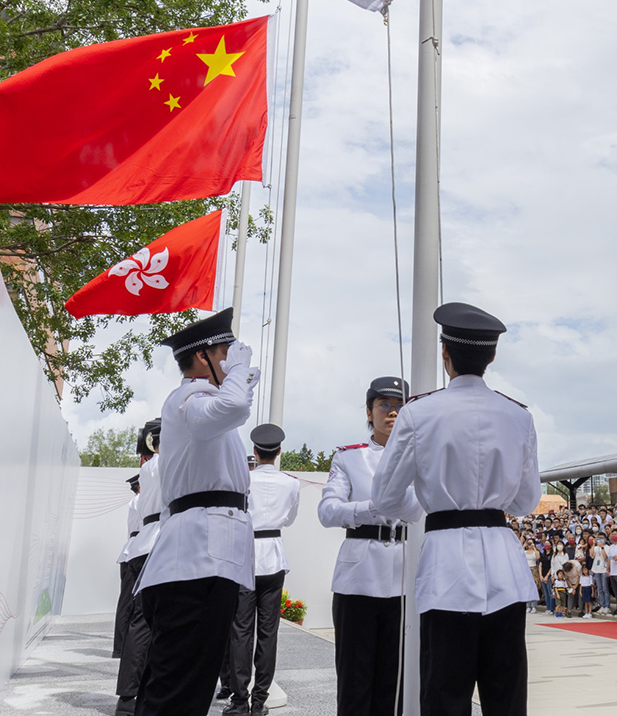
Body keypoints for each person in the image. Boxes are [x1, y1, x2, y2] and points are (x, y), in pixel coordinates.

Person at [371, 302, 539, 716]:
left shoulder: (418, 413)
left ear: (445, 354)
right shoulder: (518, 415)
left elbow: (385, 499)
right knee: (507, 695)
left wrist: (432, 502)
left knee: (445, 694)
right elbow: (526, 501)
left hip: (447, 566)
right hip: (504, 565)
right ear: (492, 356)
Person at [133, 309, 259, 716]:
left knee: (183, 684)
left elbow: (233, 406)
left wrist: (238, 377)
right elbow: (233, 405)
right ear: (204, 357)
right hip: (197, 563)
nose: (233, 358)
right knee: (178, 690)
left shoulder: (197, 400)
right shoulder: (191, 397)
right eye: (226, 352)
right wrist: (238, 377)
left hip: (203, 559)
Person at [317, 376, 411, 716]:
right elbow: (327, 512)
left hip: (404, 575)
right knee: (355, 678)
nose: (392, 412)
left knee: (396, 680)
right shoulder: (349, 458)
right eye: (384, 405)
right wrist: (368, 509)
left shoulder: (420, 458)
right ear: (369, 413)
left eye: (400, 405)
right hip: (359, 576)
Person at [221, 424, 302, 716]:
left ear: (255, 451)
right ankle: (259, 701)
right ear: (278, 452)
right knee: (269, 633)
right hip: (274, 558)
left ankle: (239, 700)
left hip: (246, 556)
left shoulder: (243, 479)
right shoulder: (291, 483)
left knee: (241, 631)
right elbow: (290, 519)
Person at [113, 419, 164, 716]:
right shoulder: (170, 464)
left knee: (140, 622)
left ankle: (128, 696)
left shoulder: (149, 468)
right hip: (162, 542)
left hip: (144, 544)